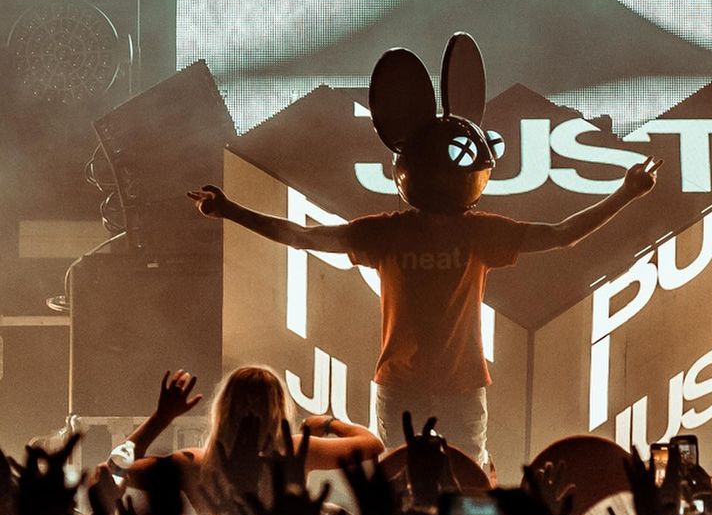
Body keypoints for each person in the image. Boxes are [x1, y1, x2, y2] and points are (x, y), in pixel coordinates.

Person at [188, 34, 661, 466]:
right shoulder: (467, 232)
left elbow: (302, 237)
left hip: (420, 385)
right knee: (458, 479)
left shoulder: (397, 232)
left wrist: (230, 210)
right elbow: (563, 234)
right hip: (436, 386)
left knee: (407, 480)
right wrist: (626, 193)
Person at [115, 365, 383, 514]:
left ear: (223, 408)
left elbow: (114, 471)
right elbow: (373, 444)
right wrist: (327, 423)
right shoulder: (295, 451)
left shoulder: (194, 463)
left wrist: (161, 418)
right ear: (278, 409)